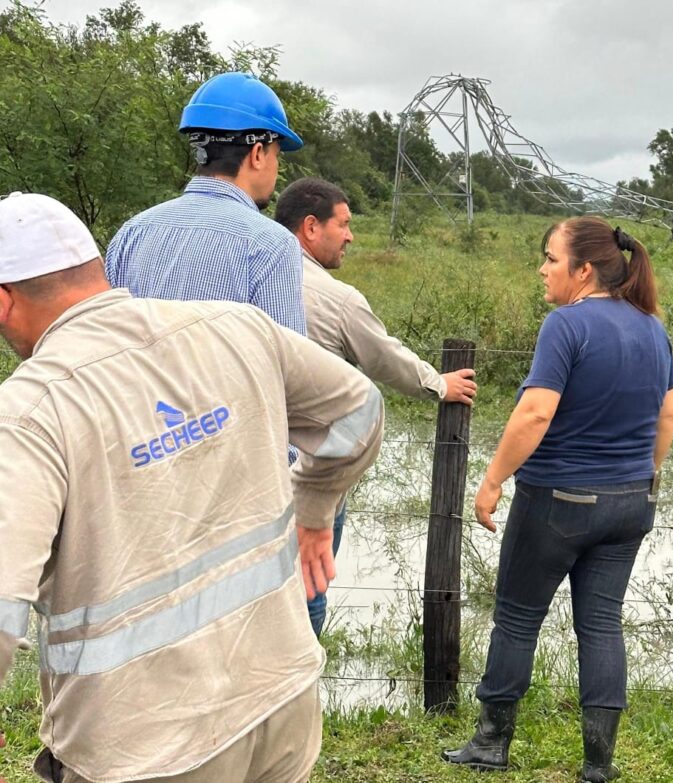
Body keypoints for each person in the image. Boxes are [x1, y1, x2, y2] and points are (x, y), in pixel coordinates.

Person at [0, 193, 384, 783]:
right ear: (95, 269)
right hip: (280, 706)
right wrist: (315, 507)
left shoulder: (30, 412)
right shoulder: (236, 327)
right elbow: (358, 410)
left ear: (4, 301)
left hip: (144, 749)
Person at [443, 217, 673, 781]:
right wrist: (641, 475)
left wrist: (493, 480)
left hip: (558, 500)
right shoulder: (653, 327)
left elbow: (535, 412)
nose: (542, 270)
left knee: (517, 617)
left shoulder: (566, 325)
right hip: (631, 504)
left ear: (584, 269)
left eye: (550, 259)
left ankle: (491, 742)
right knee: (602, 624)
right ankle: (599, 763)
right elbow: (668, 415)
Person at [274, 177, 478, 636]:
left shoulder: (242, 276)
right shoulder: (337, 299)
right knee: (307, 591)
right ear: (311, 227)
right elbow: (384, 358)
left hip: (241, 469)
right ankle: (304, 677)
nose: (350, 236)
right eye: (343, 224)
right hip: (314, 474)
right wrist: (438, 384)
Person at [104, 72, 306, 334]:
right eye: (277, 155)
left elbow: (107, 338)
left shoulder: (132, 232)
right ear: (257, 154)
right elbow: (285, 355)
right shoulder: (272, 246)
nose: (276, 167)